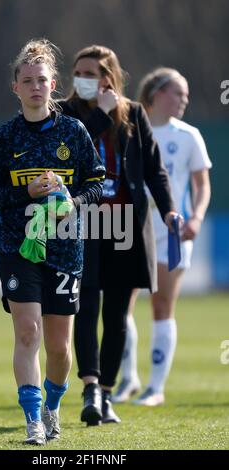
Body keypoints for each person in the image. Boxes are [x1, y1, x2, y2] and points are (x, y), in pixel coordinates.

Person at [0, 39, 105, 445]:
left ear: (53, 85)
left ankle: (53, 406)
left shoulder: (73, 131)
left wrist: (73, 202)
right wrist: (24, 194)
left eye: (42, 80)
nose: (35, 86)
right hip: (18, 247)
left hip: (65, 247)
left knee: (60, 348)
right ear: (15, 87)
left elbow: (97, 182)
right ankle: (32, 420)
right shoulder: (6, 137)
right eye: (26, 80)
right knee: (27, 333)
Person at [59, 46, 179, 425]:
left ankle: (107, 391)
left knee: (116, 315)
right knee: (86, 308)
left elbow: (154, 170)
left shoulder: (135, 114)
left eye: (89, 73)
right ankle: (90, 387)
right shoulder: (65, 112)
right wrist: (100, 115)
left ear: (108, 77)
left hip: (126, 224)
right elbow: (67, 155)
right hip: (84, 224)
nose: (81, 79)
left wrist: (169, 208)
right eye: (78, 72)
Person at [112, 67, 212, 406]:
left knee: (162, 305)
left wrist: (196, 217)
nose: (184, 99)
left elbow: (202, 185)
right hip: (130, 228)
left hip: (172, 231)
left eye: (185, 94)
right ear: (156, 94)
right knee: (119, 306)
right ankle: (128, 379)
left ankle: (156, 387)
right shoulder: (127, 131)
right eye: (177, 92)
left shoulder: (188, 136)